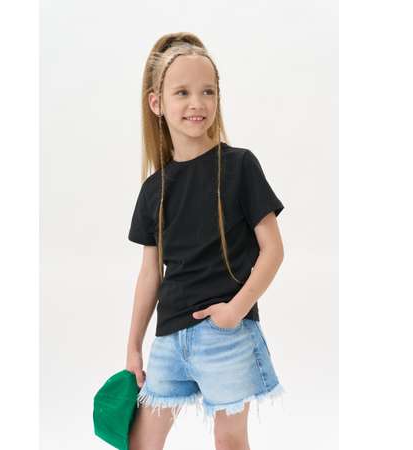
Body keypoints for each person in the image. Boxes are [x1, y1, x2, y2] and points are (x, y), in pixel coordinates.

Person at [125, 32, 285, 450]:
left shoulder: (240, 166)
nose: (197, 103)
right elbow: (149, 274)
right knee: (141, 441)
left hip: (226, 334)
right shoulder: (154, 190)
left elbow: (273, 250)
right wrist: (133, 347)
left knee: (229, 440)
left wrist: (236, 310)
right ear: (157, 103)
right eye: (182, 92)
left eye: (207, 91)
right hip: (169, 337)